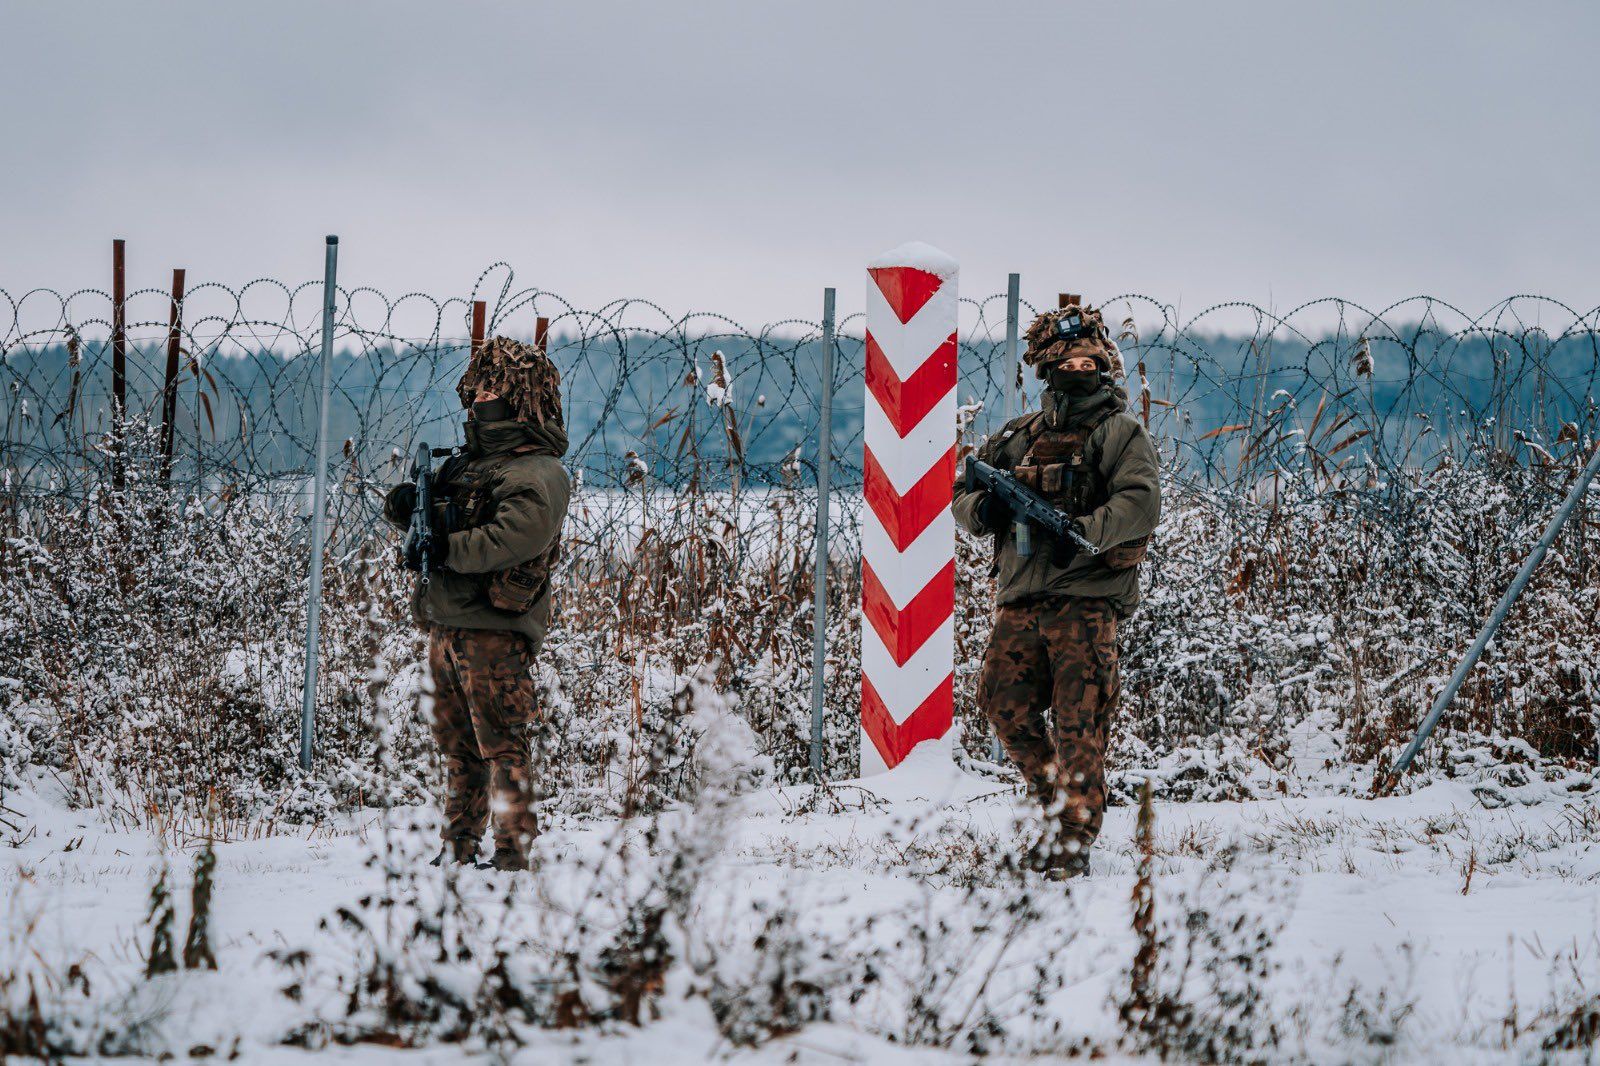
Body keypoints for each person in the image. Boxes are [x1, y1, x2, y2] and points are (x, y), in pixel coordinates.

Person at [952, 304, 1162, 879]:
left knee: (1078, 718)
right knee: (1003, 702)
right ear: (1047, 369)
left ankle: (1073, 836)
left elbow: (1140, 501)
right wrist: (985, 509)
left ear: (1102, 366)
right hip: (1021, 596)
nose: (1077, 371)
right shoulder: (1020, 436)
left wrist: (1084, 533)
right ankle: (1054, 809)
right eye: (1066, 364)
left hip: (1086, 598)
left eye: (1087, 363)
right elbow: (963, 491)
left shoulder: (1120, 432)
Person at [383, 336, 571, 871]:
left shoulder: (536, 472)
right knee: (458, 747)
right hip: (446, 624)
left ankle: (513, 851)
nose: (480, 398)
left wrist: (447, 546)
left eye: (493, 390)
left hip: (494, 630)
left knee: (502, 744)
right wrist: (408, 509)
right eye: (478, 388)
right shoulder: (471, 464)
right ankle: (459, 844)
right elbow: (433, 519)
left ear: (520, 399)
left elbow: (515, 538)